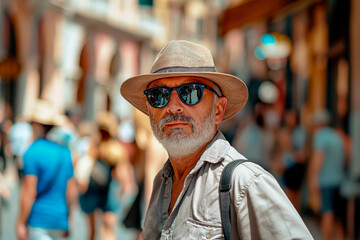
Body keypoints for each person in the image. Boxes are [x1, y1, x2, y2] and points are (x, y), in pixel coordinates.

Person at [120, 40, 313, 239]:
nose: (173, 107)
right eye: (159, 95)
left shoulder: (245, 183)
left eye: (190, 92)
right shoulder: (162, 181)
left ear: (218, 110)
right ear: (150, 111)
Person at [16, 99, 76, 240]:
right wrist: (69, 218)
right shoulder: (65, 152)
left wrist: (20, 223)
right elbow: (71, 191)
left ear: (36, 125)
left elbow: (28, 192)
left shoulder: (31, 152)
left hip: (39, 219)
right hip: (60, 220)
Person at [78, 111, 131, 240]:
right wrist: (123, 191)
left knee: (92, 230)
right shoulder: (116, 149)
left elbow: (85, 165)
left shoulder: (94, 145)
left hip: (93, 189)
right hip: (109, 190)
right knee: (108, 228)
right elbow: (122, 174)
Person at [307, 109, 347, 240]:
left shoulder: (320, 136)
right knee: (338, 216)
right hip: (339, 179)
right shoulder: (337, 135)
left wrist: (313, 178)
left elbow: (318, 158)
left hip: (326, 180)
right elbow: (348, 153)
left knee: (327, 212)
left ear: (319, 124)